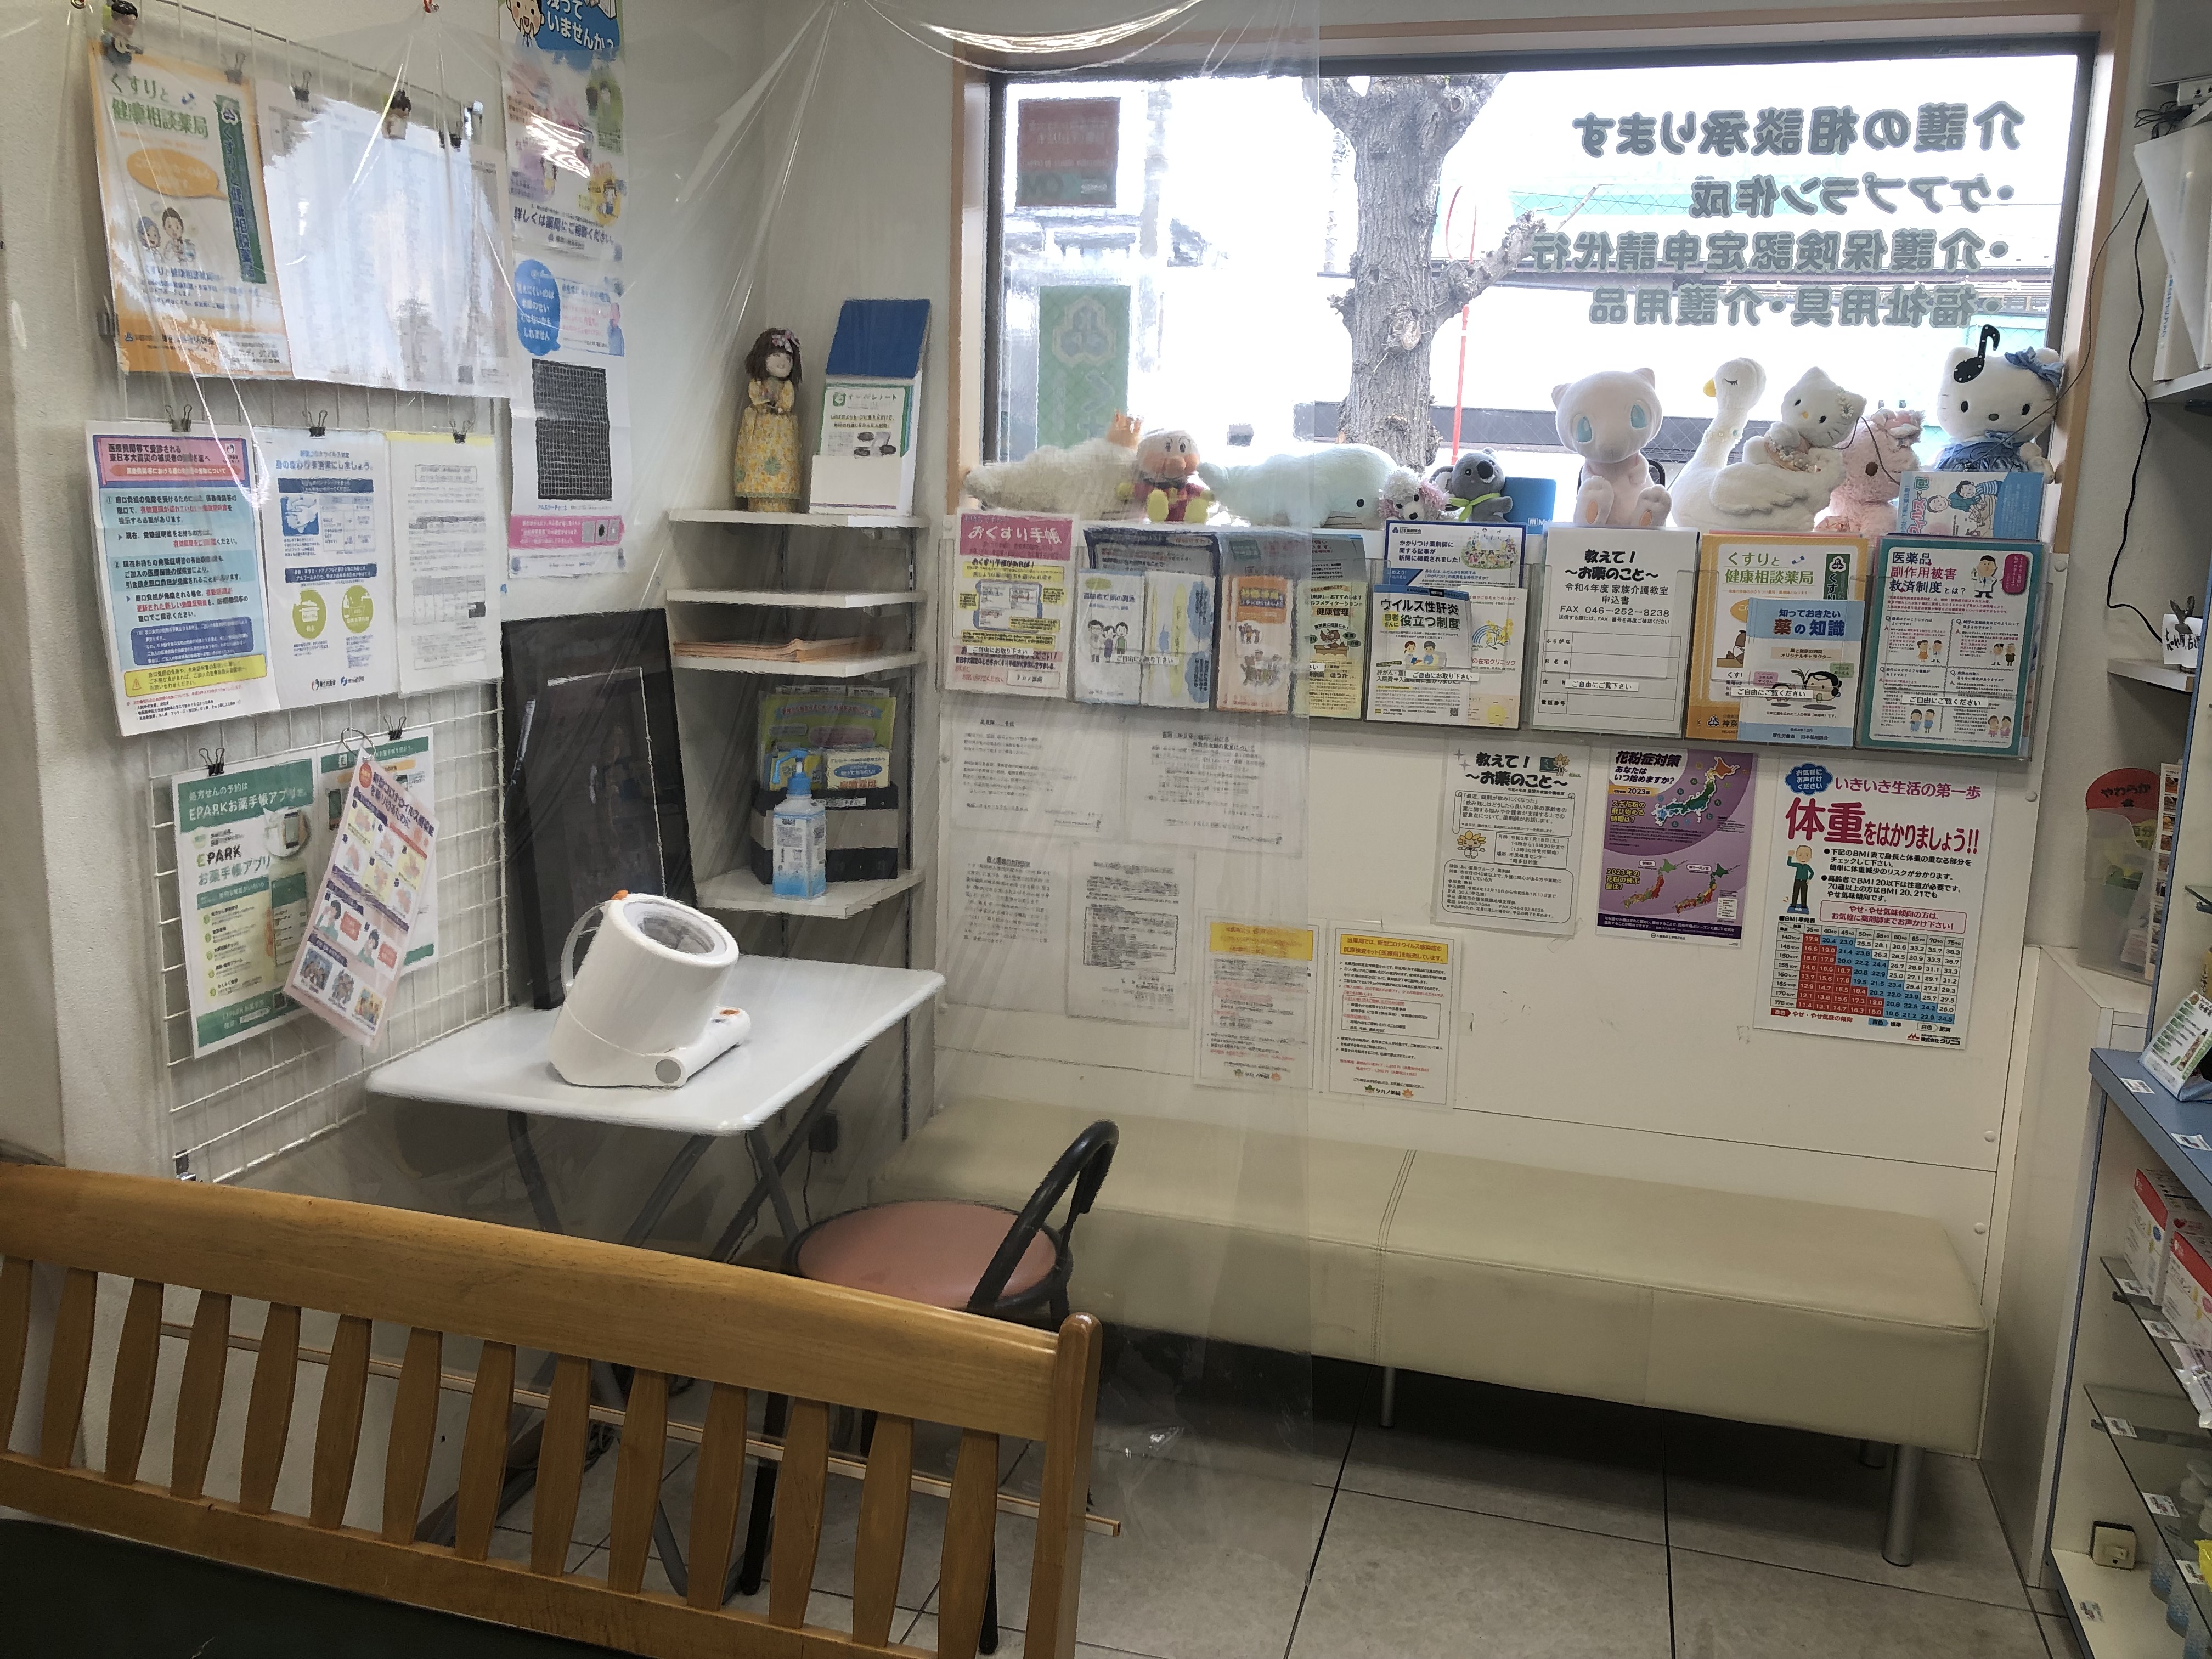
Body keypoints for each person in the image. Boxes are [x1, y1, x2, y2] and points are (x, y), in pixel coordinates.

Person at [1784, 844, 1816, 915]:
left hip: (1805, 881)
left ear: (1810, 856)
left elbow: (1812, 873)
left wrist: (1809, 879)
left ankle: (1804, 906)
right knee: (1795, 893)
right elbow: (1789, 864)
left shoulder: (1807, 866)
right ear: (1796, 856)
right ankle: (1793, 905)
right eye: (1800, 855)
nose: (1803, 858)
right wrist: (1790, 856)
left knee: (1804, 894)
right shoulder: (1798, 865)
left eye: (1807, 855)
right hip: (1797, 880)